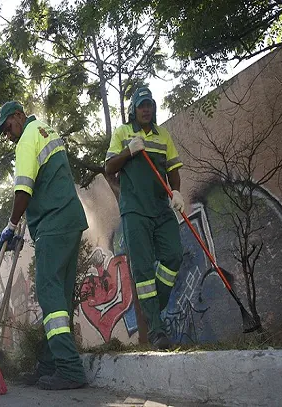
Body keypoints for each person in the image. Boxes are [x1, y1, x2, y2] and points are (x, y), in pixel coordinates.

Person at [0, 101, 88, 390]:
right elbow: (45, 182)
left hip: (54, 223)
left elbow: (23, 189)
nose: (8, 135)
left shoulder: (26, 140)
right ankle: (50, 364)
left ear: (19, 116)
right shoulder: (46, 131)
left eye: (7, 127)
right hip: (70, 219)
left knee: (49, 294)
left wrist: (10, 226)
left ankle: (70, 369)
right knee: (60, 296)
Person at [104, 87, 184, 350]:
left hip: (161, 208)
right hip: (135, 210)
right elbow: (109, 167)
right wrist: (130, 151)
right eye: (141, 106)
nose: (146, 109)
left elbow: (172, 168)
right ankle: (156, 330)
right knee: (143, 270)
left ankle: (153, 307)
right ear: (133, 110)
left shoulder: (164, 136)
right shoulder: (122, 133)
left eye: (149, 105)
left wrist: (176, 192)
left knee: (174, 254)